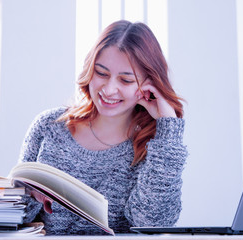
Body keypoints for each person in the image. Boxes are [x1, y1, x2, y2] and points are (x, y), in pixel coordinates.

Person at [19, 20, 188, 235]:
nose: (109, 90)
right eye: (101, 73)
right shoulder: (49, 126)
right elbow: (17, 216)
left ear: (149, 85)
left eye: (126, 80)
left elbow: (152, 225)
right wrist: (31, 194)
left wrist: (169, 130)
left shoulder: (157, 147)